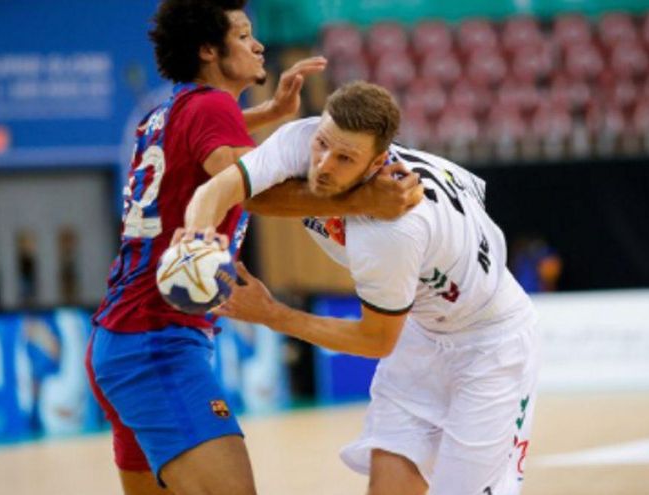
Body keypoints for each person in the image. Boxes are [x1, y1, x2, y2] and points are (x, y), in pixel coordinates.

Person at [84, 2, 423, 494]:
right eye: (243, 35)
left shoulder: (165, 112)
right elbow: (251, 188)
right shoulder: (211, 108)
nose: (258, 44)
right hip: (159, 341)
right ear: (207, 50)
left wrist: (271, 112)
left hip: (118, 339)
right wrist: (366, 198)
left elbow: (205, 139)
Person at [179, 81, 541, 495]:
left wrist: (272, 314)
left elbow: (376, 340)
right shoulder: (299, 139)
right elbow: (216, 190)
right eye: (323, 145)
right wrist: (195, 243)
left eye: (345, 158)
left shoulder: (392, 231)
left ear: (378, 163)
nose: (323, 165)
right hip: (422, 330)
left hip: (490, 343)